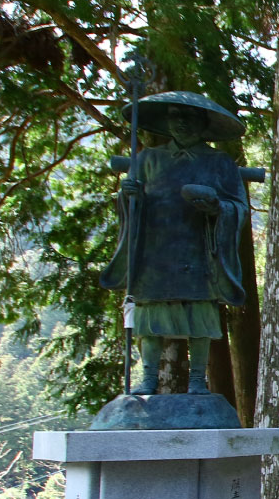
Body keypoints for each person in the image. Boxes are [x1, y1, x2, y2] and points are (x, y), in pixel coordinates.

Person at [100, 92, 248, 396]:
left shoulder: (220, 163)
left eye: (189, 117)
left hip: (198, 249)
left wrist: (218, 208)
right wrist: (128, 196)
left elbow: (238, 206)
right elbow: (130, 202)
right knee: (149, 316)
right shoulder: (147, 159)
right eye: (174, 116)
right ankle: (148, 378)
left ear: (203, 123)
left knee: (200, 316)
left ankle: (197, 380)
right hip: (156, 250)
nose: (180, 123)